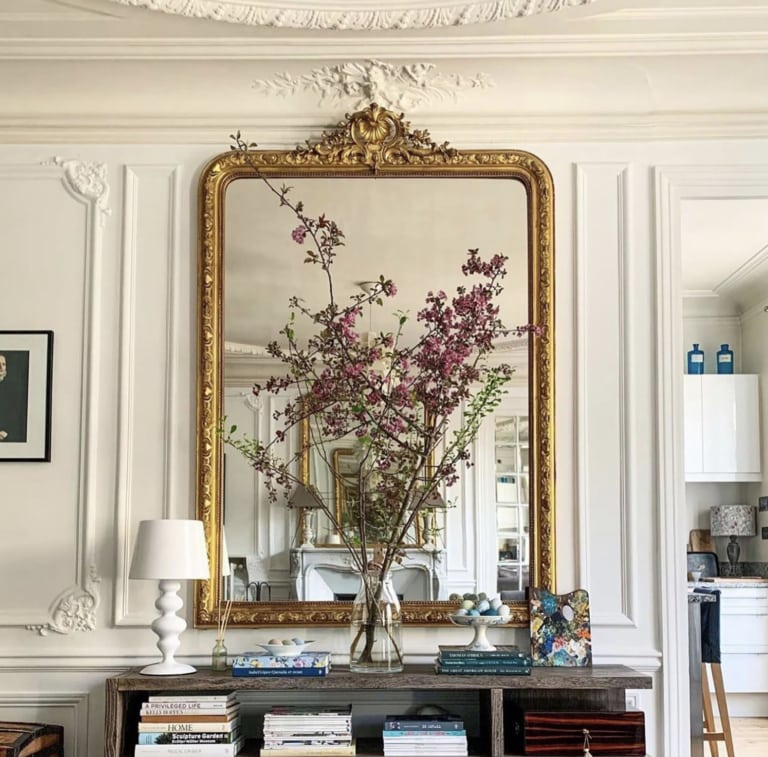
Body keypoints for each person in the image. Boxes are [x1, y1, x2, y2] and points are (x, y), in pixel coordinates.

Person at [0, 351, 29, 442]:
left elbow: (17, 417)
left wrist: (6, 432)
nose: (1, 368)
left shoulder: (13, 390)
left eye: (3, 364)